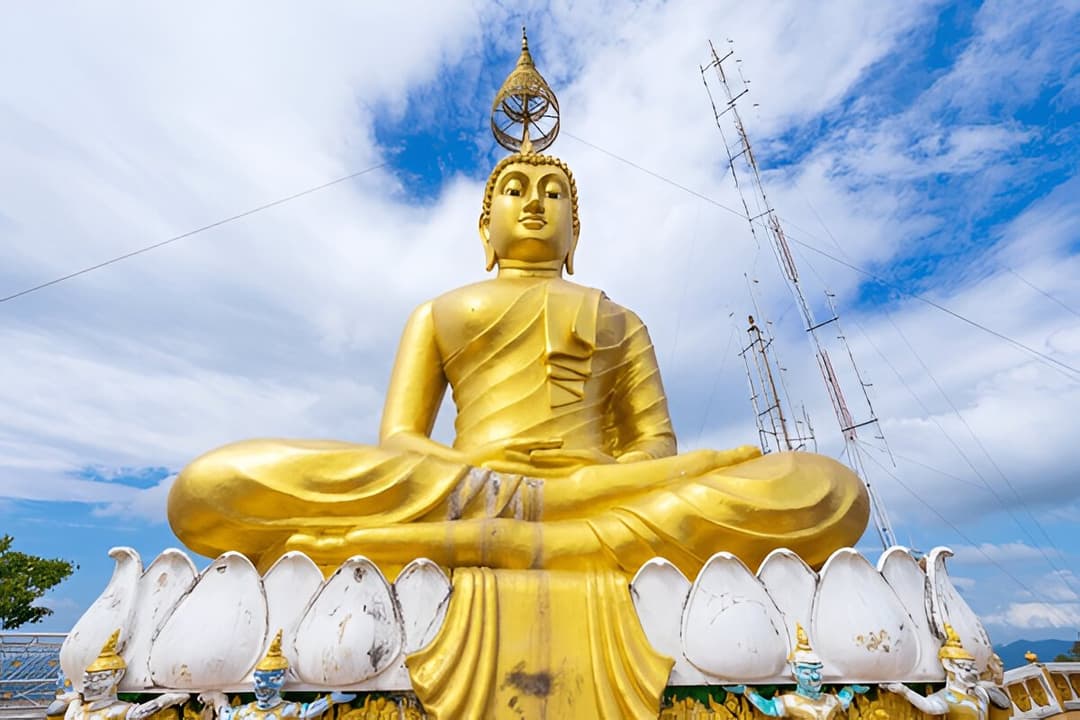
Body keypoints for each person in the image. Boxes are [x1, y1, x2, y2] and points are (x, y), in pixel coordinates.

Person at [166, 39, 868, 584]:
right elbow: (401, 443)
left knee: (829, 491)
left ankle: (515, 536)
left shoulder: (619, 319)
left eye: (554, 193)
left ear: (576, 233)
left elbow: (654, 447)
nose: (534, 200)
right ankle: (546, 530)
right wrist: (489, 482)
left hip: (599, 490)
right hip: (469, 485)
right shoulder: (439, 311)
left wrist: (606, 481)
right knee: (210, 486)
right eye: (514, 188)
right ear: (483, 226)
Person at [198, 631, 354, 720]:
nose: (262, 687)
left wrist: (332, 699)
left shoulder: (285, 711)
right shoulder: (245, 712)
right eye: (258, 681)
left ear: (280, 681)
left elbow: (307, 711)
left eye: (269, 681)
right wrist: (216, 697)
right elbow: (226, 714)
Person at [726, 623, 868, 720]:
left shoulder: (830, 700)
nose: (814, 677)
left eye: (816, 671)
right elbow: (768, 708)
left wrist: (853, 688)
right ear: (795, 672)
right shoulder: (789, 702)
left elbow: (844, 697)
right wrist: (746, 690)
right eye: (807, 672)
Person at [46, 631, 188, 720]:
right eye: (87, 679)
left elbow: (142, 712)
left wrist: (168, 698)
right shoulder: (80, 711)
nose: (90, 684)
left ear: (117, 676)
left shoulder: (116, 710)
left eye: (99, 678)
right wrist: (75, 698)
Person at [884, 624, 1009, 720]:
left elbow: (1002, 701)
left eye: (972, 667)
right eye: (964, 667)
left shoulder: (980, 693)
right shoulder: (947, 697)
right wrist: (905, 691)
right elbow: (930, 706)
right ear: (949, 666)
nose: (971, 672)